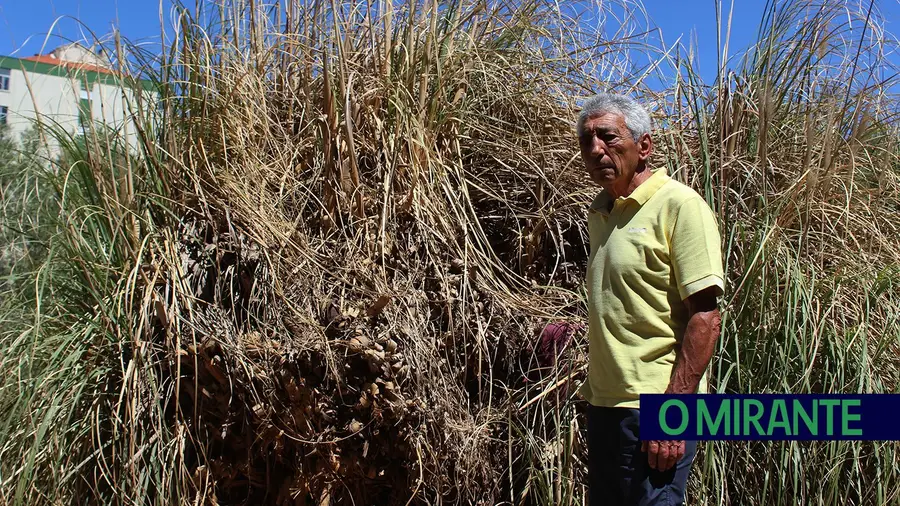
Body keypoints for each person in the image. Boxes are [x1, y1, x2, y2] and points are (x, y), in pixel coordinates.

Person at [577, 93, 724, 506]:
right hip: (605, 403)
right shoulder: (601, 210)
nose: (595, 149)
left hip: (655, 408)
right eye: (586, 141)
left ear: (644, 147)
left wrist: (672, 418)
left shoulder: (679, 205)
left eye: (607, 136)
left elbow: (706, 318)